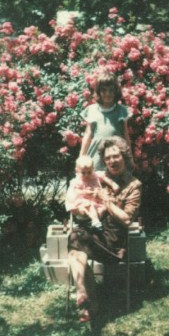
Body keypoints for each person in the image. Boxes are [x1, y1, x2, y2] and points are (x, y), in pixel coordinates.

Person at [68, 136, 142, 323]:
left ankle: (90, 304)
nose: (112, 161)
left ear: (124, 157)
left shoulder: (134, 186)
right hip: (93, 233)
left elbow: (126, 219)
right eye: (108, 158)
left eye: (116, 156)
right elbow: (76, 193)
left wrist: (106, 201)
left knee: (78, 242)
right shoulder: (96, 176)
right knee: (76, 238)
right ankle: (84, 294)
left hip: (113, 242)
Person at [80, 71, 134, 171]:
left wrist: (130, 158)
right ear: (99, 92)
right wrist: (81, 158)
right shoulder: (92, 110)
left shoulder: (121, 111)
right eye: (104, 90)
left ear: (116, 91)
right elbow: (88, 135)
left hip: (115, 158)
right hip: (96, 157)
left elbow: (125, 135)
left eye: (111, 90)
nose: (108, 94)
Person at [65, 155, 120, 229]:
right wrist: (84, 191)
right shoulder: (77, 181)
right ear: (77, 171)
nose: (86, 175)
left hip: (97, 201)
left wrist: (113, 184)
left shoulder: (95, 176)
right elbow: (74, 192)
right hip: (84, 202)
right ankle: (95, 221)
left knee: (104, 208)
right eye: (83, 173)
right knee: (89, 206)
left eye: (89, 172)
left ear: (93, 169)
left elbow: (104, 178)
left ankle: (94, 223)